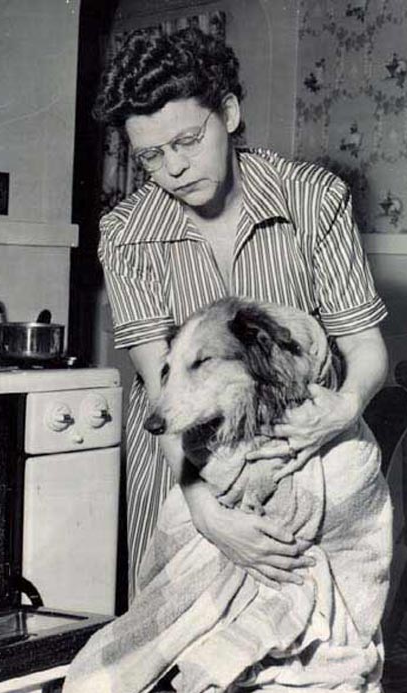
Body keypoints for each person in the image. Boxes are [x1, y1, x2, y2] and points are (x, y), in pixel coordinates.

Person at [93, 26, 388, 599]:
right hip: (180, 462)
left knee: (305, 619)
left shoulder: (313, 198)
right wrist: (205, 511)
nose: (174, 168)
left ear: (227, 113)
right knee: (176, 621)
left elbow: (364, 345)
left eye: (187, 140)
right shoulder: (126, 233)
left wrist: (345, 408)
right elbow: (159, 383)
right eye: (151, 156)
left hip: (301, 451)